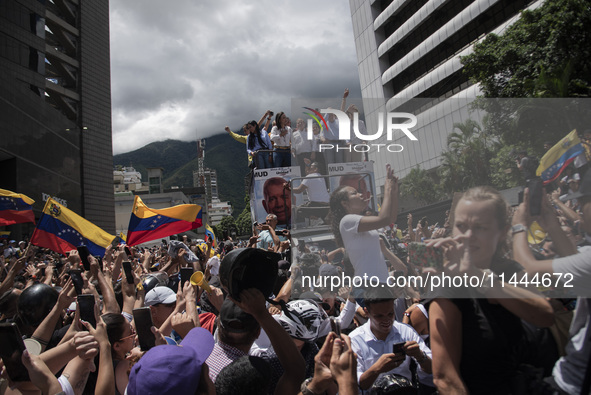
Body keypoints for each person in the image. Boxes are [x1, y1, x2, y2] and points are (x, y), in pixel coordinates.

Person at [427, 186, 555, 395]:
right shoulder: (448, 286)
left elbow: (544, 315)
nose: (468, 236)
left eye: (480, 228)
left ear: (502, 231)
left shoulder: (509, 271)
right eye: (460, 226)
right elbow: (445, 379)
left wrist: (479, 276)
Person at [512, 173, 591, 394]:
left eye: (583, 201)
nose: (579, 206)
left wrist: (518, 227)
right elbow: (572, 261)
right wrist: (551, 223)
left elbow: (527, 272)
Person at [349, 288, 433, 392]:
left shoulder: (405, 331)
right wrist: (377, 369)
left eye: (390, 314)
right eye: (379, 316)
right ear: (367, 312)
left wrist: (420, 356)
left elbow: (432, 371)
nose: (386, 320)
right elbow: (356, 385)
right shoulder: (355, 340)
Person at [329, 165, 400, 285]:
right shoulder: (347, 221)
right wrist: (386, 188)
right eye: (355, 193)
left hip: (379, 283)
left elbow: (391, 219)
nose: (361, 195)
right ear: (345, 204)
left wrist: (394, 191)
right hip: (368, 285)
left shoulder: (358, 221)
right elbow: (384, 218)